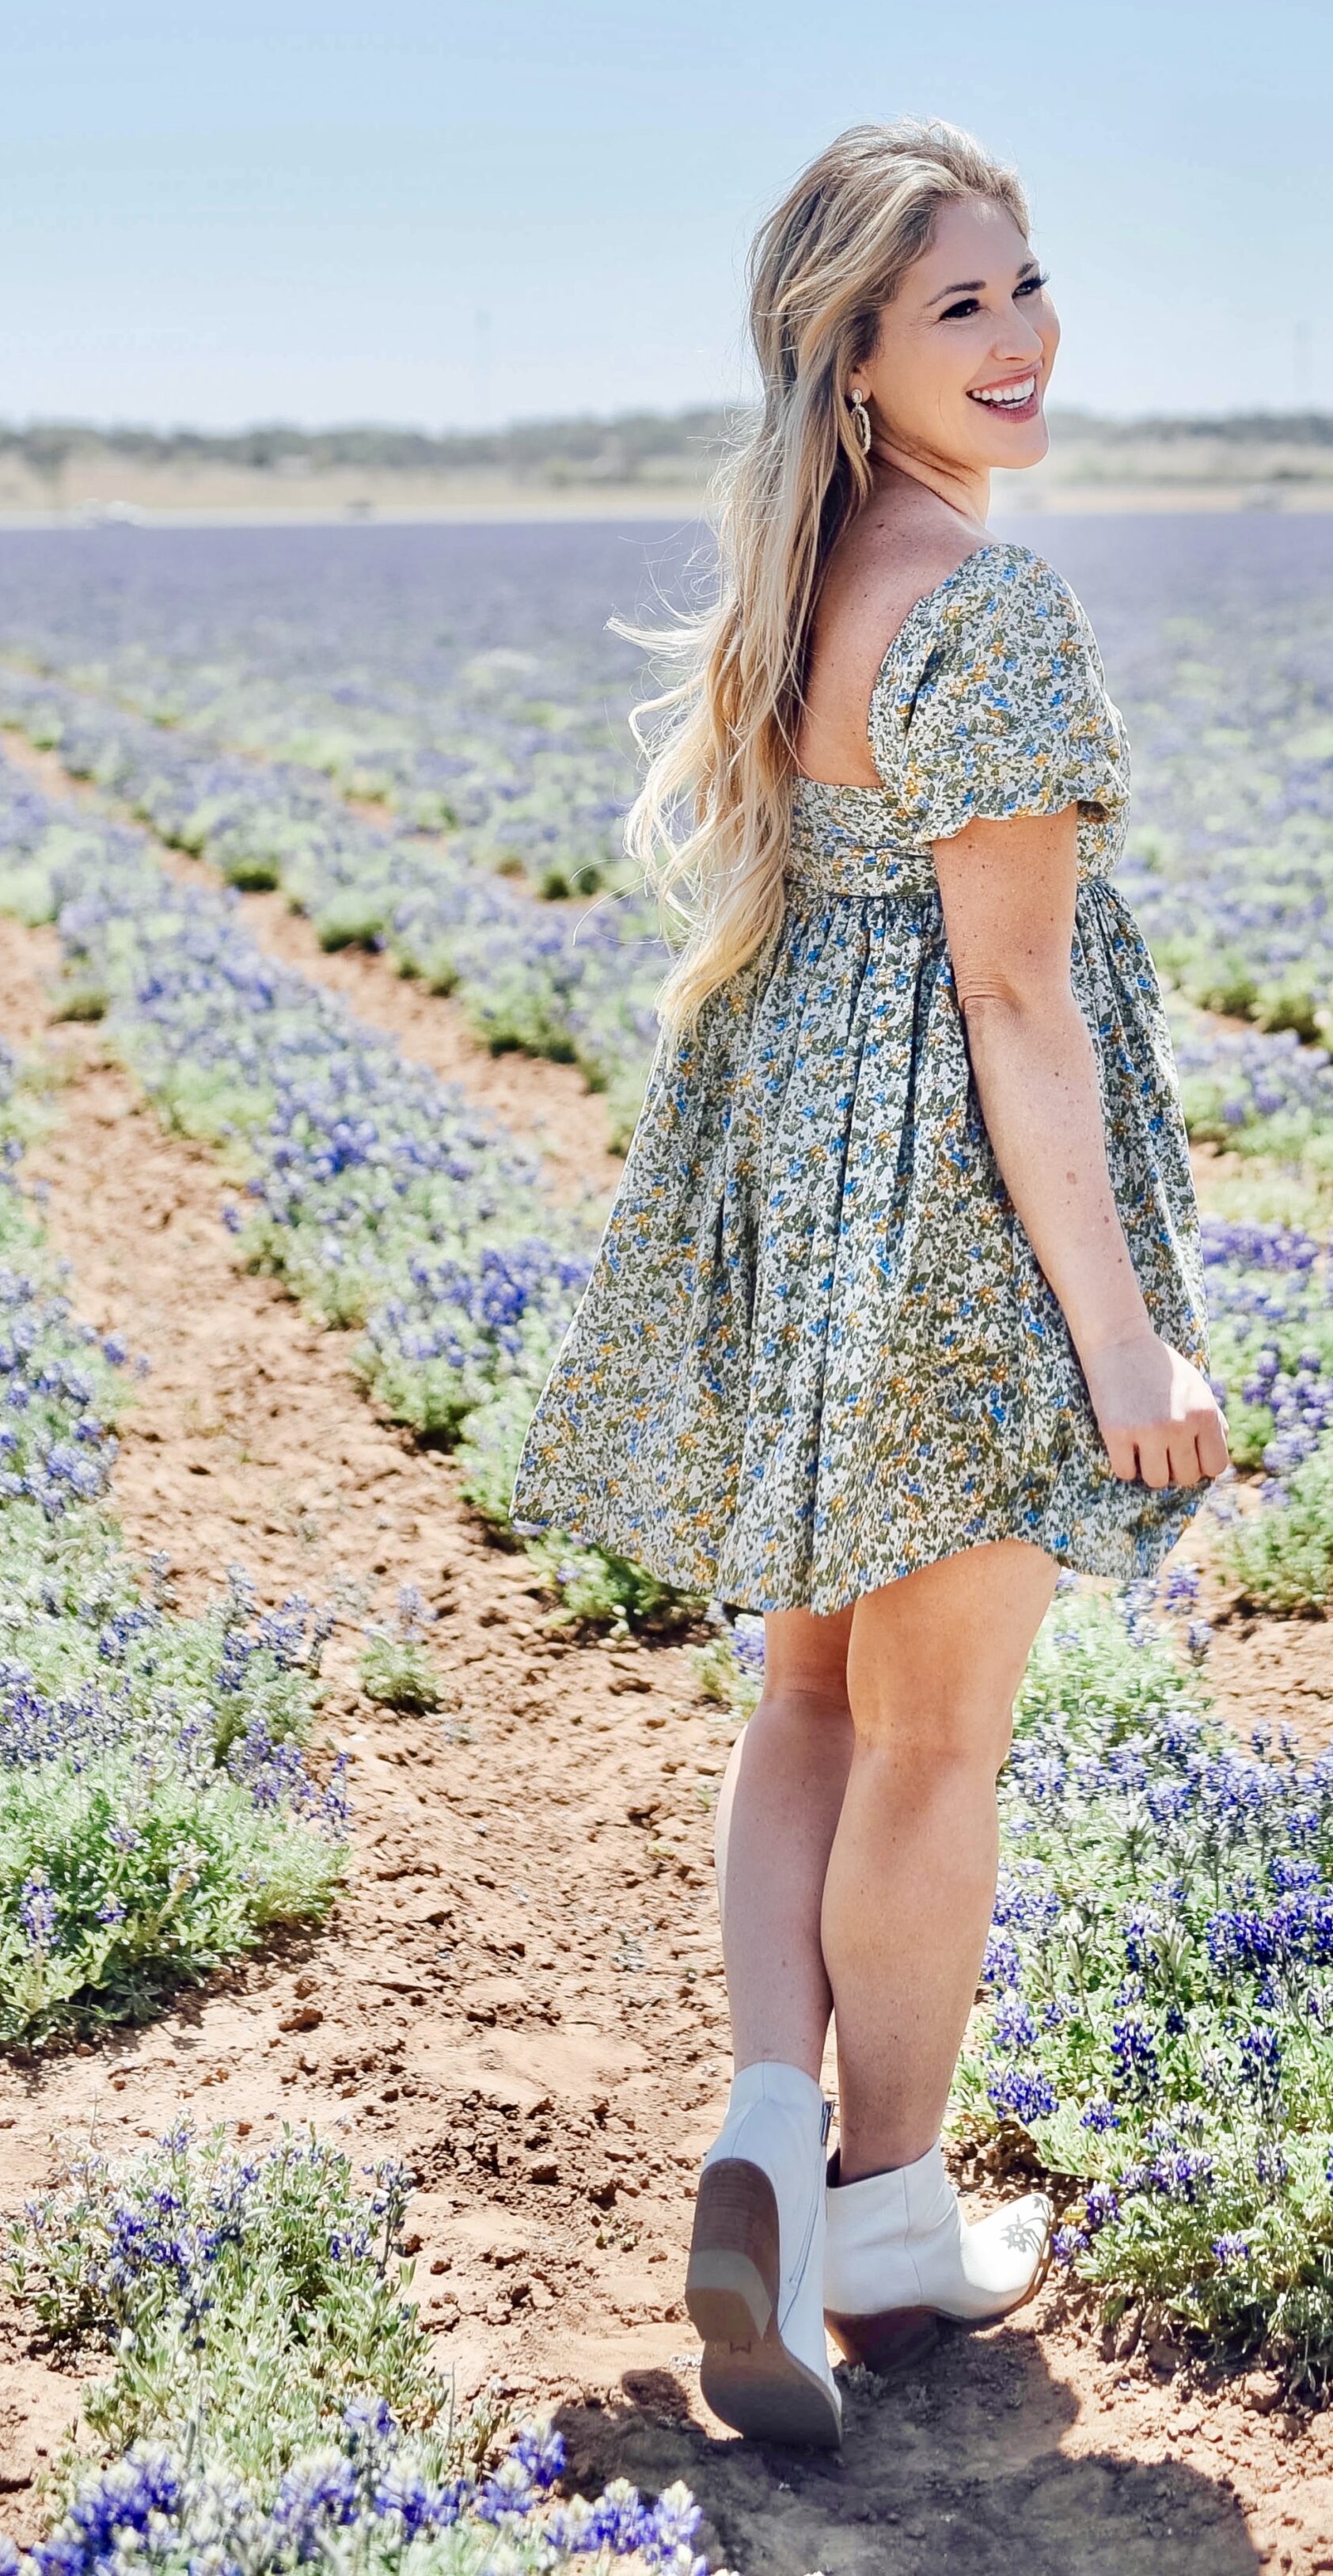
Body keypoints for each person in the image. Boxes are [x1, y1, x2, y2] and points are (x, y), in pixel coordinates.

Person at [515, 117, 1229, 2451]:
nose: (1022, 342)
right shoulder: (983, 608)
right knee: (934, 1738)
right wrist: (1121, 1337)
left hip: (806, 1190)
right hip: (949, 1209)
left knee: (812, 1698)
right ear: (851, 357)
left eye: (1028, 287)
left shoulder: (806, 579)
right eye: (960, 309)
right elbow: (1014, 1003)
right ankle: (891, 2214)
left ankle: (760, 2132)